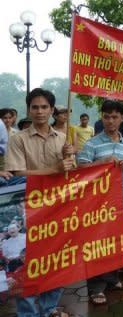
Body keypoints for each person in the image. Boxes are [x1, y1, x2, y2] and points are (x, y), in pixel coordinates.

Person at [5, 88, 74, 317]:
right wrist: (53, 170)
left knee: (56, 262)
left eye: (45, 107)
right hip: (28, 212)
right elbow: (16, 174)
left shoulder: (64, 139)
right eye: (35, 107)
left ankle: (49, 308)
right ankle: (27, 313)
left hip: (57, 210)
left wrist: (68, 158)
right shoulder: (18, 139)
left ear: (52, 110)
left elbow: (69, 174)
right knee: (28, 265)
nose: (40, 111)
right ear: (29, 110)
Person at [77, 100, 123, 305]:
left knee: (116, 244)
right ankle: (95, 287)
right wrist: (101, 163)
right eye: (107, 116)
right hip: (98, 205)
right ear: (102, 117)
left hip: (121, 201)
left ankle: (111, 279)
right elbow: (80, 170)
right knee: (96, 245)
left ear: (121, 119)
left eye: (115, 117)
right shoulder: (91, 143)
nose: (111, 121)